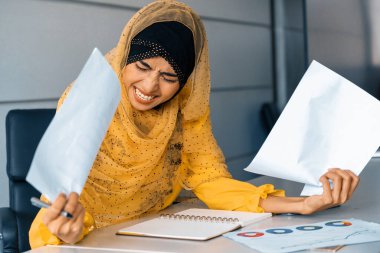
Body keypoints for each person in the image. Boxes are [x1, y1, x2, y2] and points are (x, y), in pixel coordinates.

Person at [29, 0, 360, 248]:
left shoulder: (184, 112)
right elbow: (64, 191)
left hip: (154, 233)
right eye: (141, 66)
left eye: (169, 76)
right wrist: (67, 229)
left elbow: (211, 179)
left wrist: (302, 204)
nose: (149, 87)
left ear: (184, 83)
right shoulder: (88, 97)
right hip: (79, 233)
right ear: (125, 56)